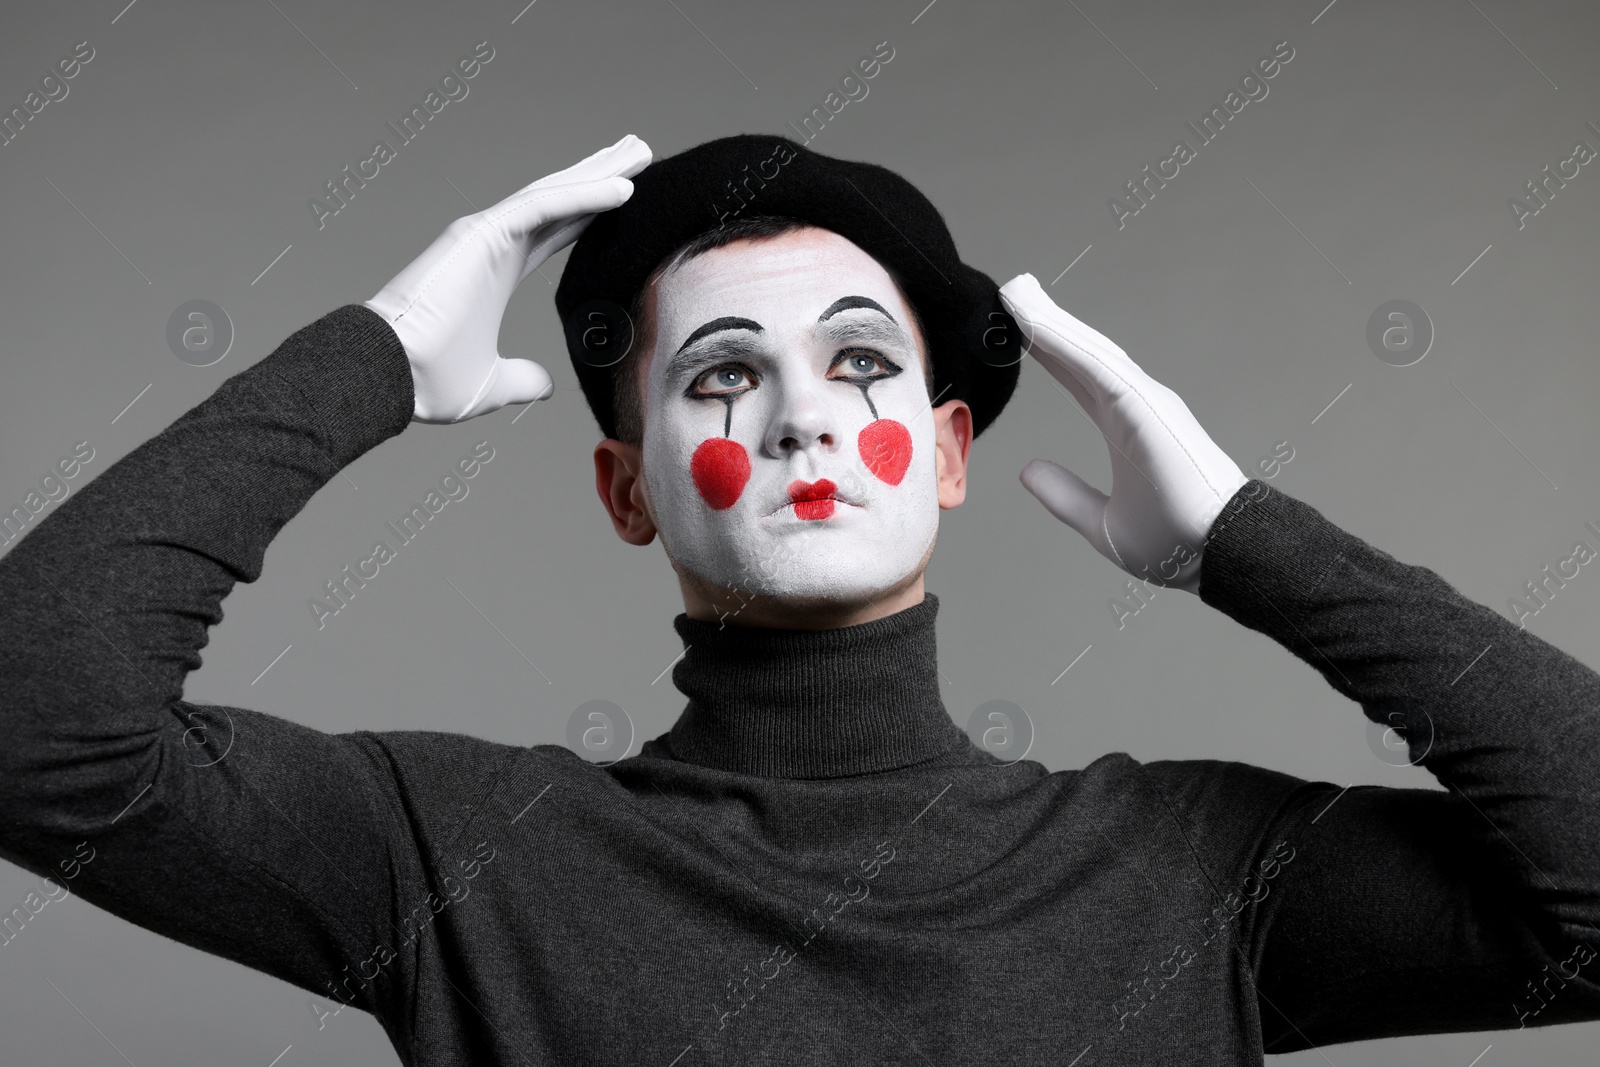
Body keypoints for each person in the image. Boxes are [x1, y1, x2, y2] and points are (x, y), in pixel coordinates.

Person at [2, 132, 1597, 1065]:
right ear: (627, 486)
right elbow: (34, 724)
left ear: (948, 453)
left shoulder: (1192, 873)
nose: (805, 416)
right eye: (720, 374)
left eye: (858, 361)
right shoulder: (460, 860)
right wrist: (371, 360)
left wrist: (1245, 537)